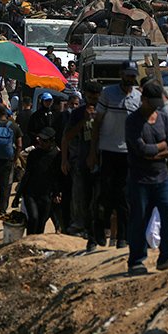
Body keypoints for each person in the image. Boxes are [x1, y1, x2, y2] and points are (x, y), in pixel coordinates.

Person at [124, 81, 168, 275]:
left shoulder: (164, 118)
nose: (156, 106)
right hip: (140, 179)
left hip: (162, 177)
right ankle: (136, 261)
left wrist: (154, 153)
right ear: (144, 99)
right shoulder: (133, 121)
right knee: (139, 219)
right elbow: (140, 150)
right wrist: (161, 146)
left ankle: (166, 256)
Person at [90, 65, 141, 252]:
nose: (130, 79)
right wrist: (93, 152)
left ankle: (122, 237)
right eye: (127, 75)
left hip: (128, 153)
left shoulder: (137, 97)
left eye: (132, 76)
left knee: (124, 198)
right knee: (105, 195)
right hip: (108, 150)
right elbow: (97, 123)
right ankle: (100, 230)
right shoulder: (108, 94)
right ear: (121, 75)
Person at [62, 86, 100, 237]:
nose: (92, 101)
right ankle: (79, 225)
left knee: (99, 195)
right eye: (90, 97)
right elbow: (67, 137)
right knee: (79, 193)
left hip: (102, 158)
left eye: (95, 97)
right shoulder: (78, 113)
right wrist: (64, 160)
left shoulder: (105, 112)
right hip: (81, 159)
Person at [15, 127, 62, 234]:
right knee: (33, 218)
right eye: (39, 139)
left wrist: (56, 192)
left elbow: (56, 177)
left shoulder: (56, 155)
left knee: (41, 223)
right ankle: (29, 243)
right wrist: (18, 196)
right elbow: (27, 175)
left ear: (51, 141)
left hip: (46, 194)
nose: (40, 142)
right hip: (31, 193)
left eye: (44, 140)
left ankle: (36, 246)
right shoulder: (34, 154)